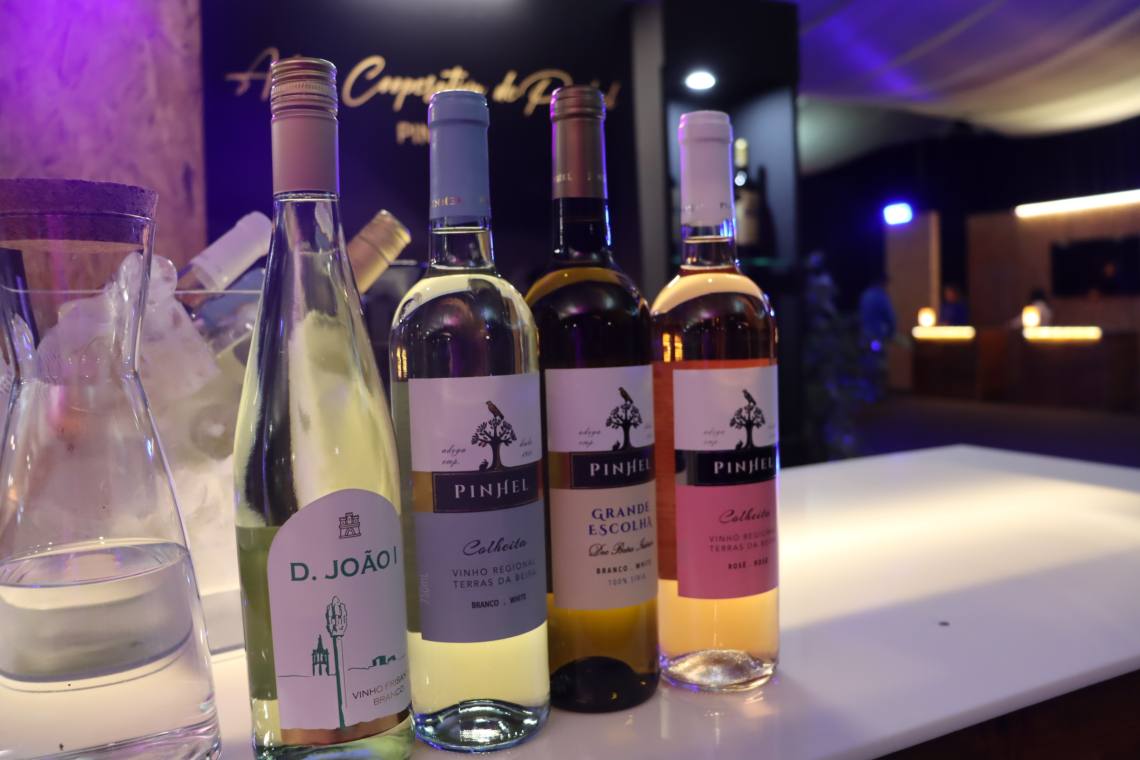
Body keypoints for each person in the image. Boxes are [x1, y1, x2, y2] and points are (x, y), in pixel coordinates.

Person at [859, 274, 896, 347]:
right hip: (878, 335)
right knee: (878, 351)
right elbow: (890, 316)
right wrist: (892, 331)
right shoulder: (881, 296)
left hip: (865, 335)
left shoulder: (866, 294)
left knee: (866, 352)